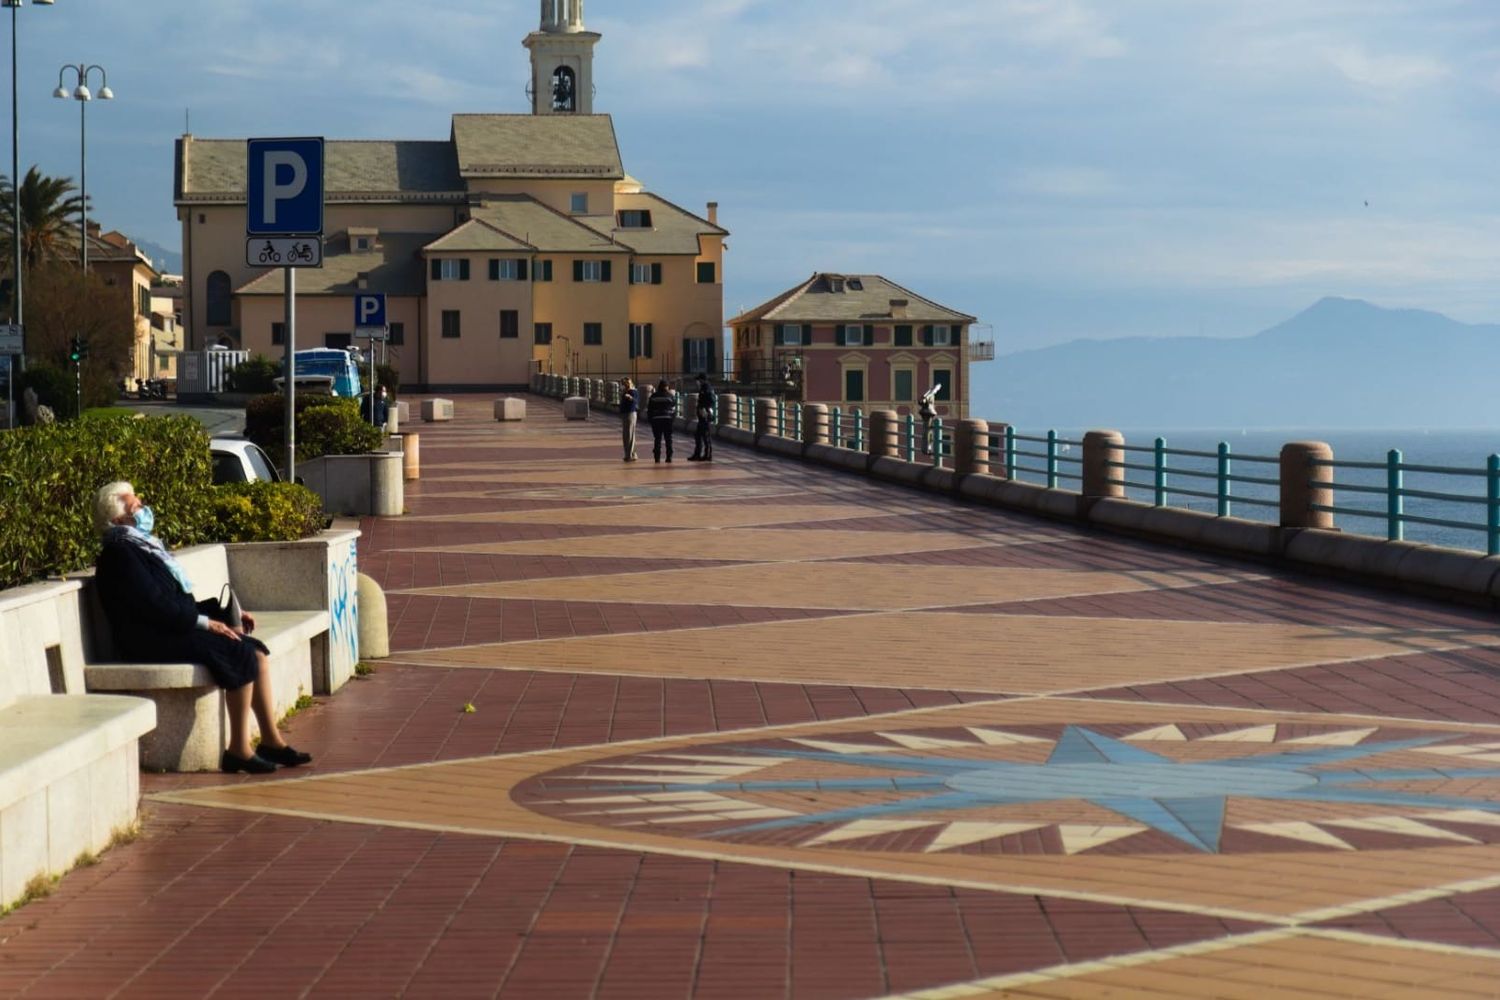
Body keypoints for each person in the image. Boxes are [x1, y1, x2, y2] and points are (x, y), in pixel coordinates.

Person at [92, 481, 313, 775]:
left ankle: (271, 741)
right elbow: (155, 606)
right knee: (238, 652)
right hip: (148, 639)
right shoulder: (119, 553)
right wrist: (206, 623)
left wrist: (220, 613)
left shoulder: (140, 546)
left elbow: (174, 601)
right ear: (118, 519)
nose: (145, 509)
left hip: (168, 629)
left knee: (255, 652)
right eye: (137, 506)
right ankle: (239, 750)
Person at [646, 379, 678, 463]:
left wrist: (651, 420)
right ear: (667, 387)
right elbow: (674, 410)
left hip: (656, 420)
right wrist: (672, 419)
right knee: (668, 439)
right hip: (668, 420)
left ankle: (657, 457)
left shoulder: (653, 396)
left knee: (657, 439)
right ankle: (669, 457)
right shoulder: (670, 396)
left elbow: (649, 410)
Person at [687, 373, 717, 462]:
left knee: (705, 435)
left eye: (698, 380)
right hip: (702, 415)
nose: (697, 382)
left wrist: (705, 408)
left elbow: (711, 401)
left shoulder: (707, 388)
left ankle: (707, 455)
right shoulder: (704, 388)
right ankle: (698, 454)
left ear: (702, 380)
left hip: (705, 415)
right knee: (699, 435)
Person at [619, 378, 639, 462]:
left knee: (629, 435)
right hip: (625, 414)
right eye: (623, 384)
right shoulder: (624, 392)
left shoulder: (633, 392)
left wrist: (630, 397)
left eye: (625, 384)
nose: (624, 385)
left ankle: (629, 455)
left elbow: (635, 401)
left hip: (630, 414)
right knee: (626, 435)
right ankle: (632, 454)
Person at [918, 384, 940, 455]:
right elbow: (923, 400)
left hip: (926, 412)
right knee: (928, 432)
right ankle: (927, 449)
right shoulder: (930, 394)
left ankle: (926, 448)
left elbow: (922, 401)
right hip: (928, 412)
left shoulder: (929, 393)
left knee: (927, 431)